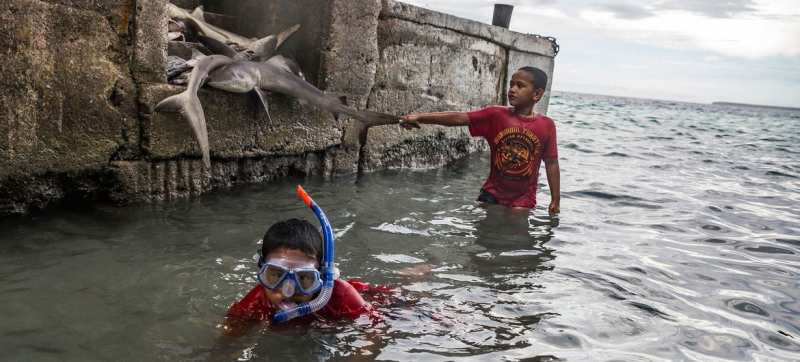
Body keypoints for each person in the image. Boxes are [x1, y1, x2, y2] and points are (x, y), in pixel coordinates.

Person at [400, 66, 561, 215]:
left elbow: (551, 163)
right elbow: (458, 117)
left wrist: (555, 199)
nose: (512, 89)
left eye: (520, 86)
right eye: (511, 84)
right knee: (485, 236)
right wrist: (420, 117)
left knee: (516, 237)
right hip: (492, 193)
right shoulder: (496, 115)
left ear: (537, 94)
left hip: (523, 199)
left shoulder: (546, 125)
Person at [223, 189, 382, 337]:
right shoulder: (257, 301)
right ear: (263, 269)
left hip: (375, 297)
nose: (288, 291)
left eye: (303, 277)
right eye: (278, 274)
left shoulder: (341, 296)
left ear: (321, 276)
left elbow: (377, 332)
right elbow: (226, 340)